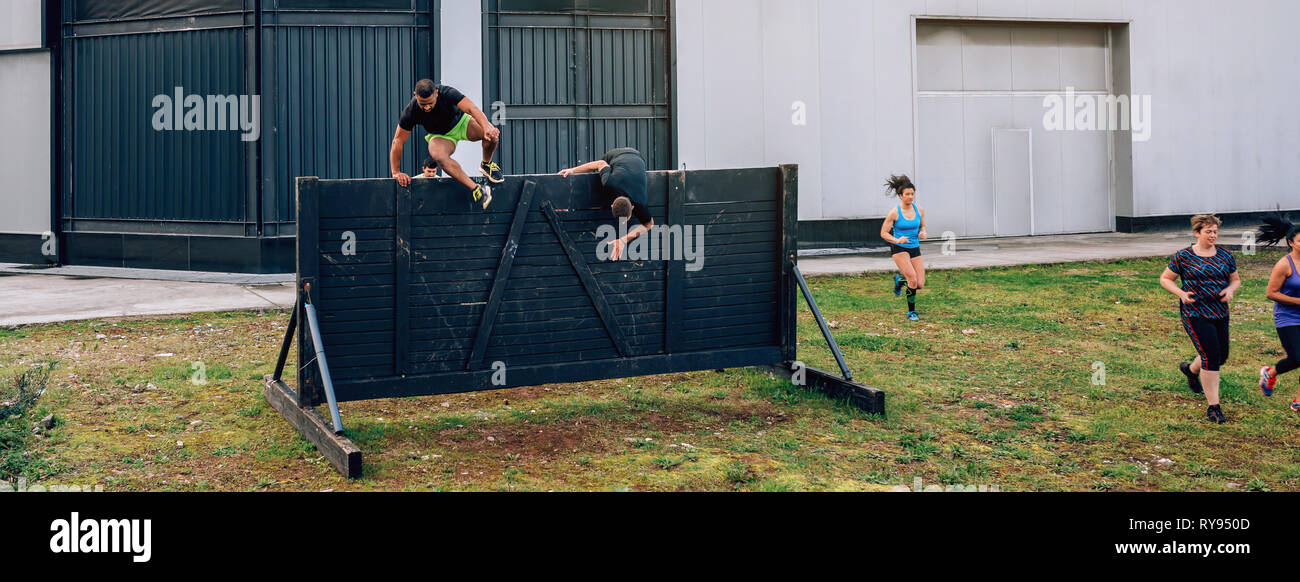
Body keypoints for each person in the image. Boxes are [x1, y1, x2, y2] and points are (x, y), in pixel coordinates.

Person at [1160, 214, 1241, 424]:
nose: (1213, 235)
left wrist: (1231, 290)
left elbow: (1236, 280)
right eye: (1208, 232)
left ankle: (1190, 370)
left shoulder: (1225, 256)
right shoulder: (1184, 256)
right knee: (1211, 356)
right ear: (1197, 232)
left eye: (1215, 232)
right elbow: (1165, 278)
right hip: (1194, 311)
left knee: (1221, 355)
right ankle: (1214, 407)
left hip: (1220, 310)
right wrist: (1181, 294)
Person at [389, 79, 501, 209]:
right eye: (422, 104)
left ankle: (486, 165)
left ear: (436, 93)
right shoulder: (411, 110)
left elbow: (471, 108)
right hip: (440, 136)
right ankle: (478, 190)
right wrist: (396, 172)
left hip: (462, 123)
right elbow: (398, 140)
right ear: (415, 95)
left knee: (492, 136)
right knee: (439, 156)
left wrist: (487, 126)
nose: (427, 108)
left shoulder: (447, 93)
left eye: (430, 103)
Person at [558, 148, 655, 260]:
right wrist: (572, 170)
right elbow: (601, 163)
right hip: (615, 156)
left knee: (605, 174)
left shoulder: (637, 200)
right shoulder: (611, 183)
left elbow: (649, 224)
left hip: (638, 156)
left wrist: (624, 239)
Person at [1257, 217, 1300, 412]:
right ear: (1291, 243)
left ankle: (1298, 401)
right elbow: (1270, 293)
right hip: (1287, 317)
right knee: (1298, 357)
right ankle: (1270, 373)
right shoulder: (1284, 264)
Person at [879, 174, 927, 321]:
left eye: (912, 194)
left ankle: (899, 281)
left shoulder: (919, 210)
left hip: (914, 247)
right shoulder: (894, 212)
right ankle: (911, 312)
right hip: (899, 248)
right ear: (900, 196)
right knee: (912, 279)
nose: (910, 197)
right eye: (907, 194)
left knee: (919, 284)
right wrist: (897, 239)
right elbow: (883, 233)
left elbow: (922, 225)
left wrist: (923, 232)